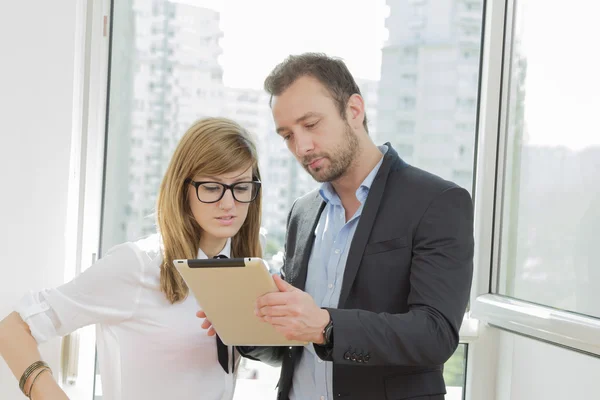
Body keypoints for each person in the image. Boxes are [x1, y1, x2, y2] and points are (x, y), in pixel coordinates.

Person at [202, 53, 474, 400]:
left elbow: (435, 335)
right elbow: (293, 345)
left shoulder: (436, 201)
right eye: (287, 135)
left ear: (354, 110)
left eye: (311, 124)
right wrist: (243, 326)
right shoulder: (303, 213)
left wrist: (327, 325)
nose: (301, 146)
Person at [0, 117, 263, 400]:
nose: (228, 203)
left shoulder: (247, 273)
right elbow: (13, 329)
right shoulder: (137, 264)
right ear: (183, 189)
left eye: (240, 187)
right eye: (212, 187)